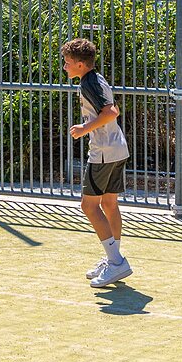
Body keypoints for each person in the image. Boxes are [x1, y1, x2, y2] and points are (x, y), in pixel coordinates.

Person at [61, 38, 133, 288]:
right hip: (117, 148)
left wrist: (84, 128)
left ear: (81, 65)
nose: (65, 67)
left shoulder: (88, 82)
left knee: (89, 207)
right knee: (110, 204)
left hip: (103, 152)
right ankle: (113, 258)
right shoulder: (96, 78)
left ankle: (116, 262)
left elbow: (112, 112)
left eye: (68, 63)